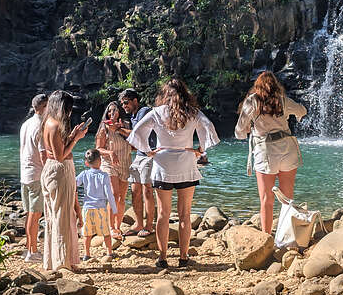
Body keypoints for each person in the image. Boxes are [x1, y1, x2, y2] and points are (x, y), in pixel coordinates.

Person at [129, 78, 219, 267]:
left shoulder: (157, 112)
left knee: (163, 214)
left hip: (163, 164)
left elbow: (136, 132)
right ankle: (183, 257)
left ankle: (162, 258)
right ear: (185, 93)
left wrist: (147, 150)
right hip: (186, 163)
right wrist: (200, 149)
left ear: (165, 95)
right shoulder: (192, 112)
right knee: (185, 214)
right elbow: (208, 126)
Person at [235, 71, 307, 235]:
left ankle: (267, 237)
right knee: (287, 199)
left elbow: (239, 130)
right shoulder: (283, 100)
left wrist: (248, 129)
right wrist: (293, 116)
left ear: (257, 87)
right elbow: (302, 111)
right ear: (276, 85)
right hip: (287, 149)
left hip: (265, 151)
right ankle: (287, 236)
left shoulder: (252, 102)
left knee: (267, 200)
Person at [39, 91, 90, 272]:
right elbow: (60, 156)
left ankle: (56, 260)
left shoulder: (49, 122)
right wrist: (75, 140)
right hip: (59, 171)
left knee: (56, 216)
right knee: (62, 217)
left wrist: (71, 136)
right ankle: (62, 262)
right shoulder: (54, 125)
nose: (69, 113)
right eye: (68, 108)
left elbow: (57, 150)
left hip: (52, 170)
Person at [118, 88, 158, 235]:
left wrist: (119, 129)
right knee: (135, 191)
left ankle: (149, 226)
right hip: (140, 155)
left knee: (147, 190)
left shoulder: (144, 111)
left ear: (135, 101)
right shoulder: (133, 116)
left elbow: (137, 134)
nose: (124, 106)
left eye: (126, 102)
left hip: (150, 154)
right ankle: (138, 224)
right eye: (122, 104)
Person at [18, 94, 47, 262]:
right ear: (44, 107)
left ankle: (29, 248)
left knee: (30, 214)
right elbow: (43, 155)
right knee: (35, 215)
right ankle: (32, 252)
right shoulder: (41, 126)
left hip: (25, 174)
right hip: (36, 174)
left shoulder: (25, 124)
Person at [95, 101, 132, 234]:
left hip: (125, 162)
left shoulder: (126, 125)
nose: (111, 113)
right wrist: (110, 153)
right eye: (109, 111)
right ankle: (110, 227)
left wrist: (119, 129)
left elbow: (135, 138)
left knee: (122, 197)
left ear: (119, 112)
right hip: (109, 163)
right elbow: (98, 149)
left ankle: (118, 226)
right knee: (114, 194)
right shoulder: (103, 128)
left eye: (114, 111)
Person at [76, 148, 118, 260]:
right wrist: (114, 209)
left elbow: (74, 183)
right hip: (101, 208)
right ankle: (109, 252)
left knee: (87, 233)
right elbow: (109, 194)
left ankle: (87, 254)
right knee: (106, 232)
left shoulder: (84, 174)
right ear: (100, 160)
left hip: (87, 208)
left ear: (86, 163)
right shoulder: (104, 175)